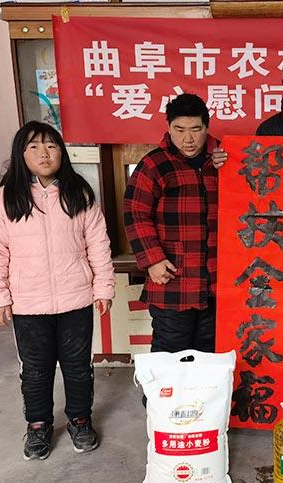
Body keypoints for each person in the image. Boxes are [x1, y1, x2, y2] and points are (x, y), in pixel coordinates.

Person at [0, 121, 115, 460]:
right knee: (35, 370)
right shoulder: (1, 200)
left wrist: (103, 287)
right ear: (20, 154)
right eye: (34, 146)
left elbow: (98, 244)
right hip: (28, 304)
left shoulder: (79, 193)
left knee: (78, 366)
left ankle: (80, 420)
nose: (44, 153)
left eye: (51, 146)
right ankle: (38, 425)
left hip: (75, 298)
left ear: (61, 153)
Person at [123, 93, 218, 354]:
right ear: (168, 128)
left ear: (206, 128)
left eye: (196, 129)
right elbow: (135, 212)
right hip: (173, 280)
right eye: (179, 129)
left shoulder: (222, 160)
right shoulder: (154, 164)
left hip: (216, 282)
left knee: (210, 356)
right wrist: (152, 259)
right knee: (169, 354)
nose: (188, 139)